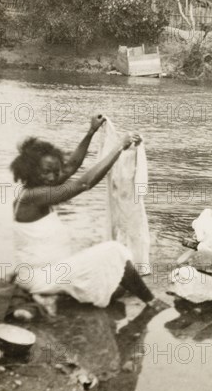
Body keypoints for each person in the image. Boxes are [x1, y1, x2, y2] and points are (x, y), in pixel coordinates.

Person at [10, 115, 166, 315]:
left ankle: (66, 298)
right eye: (46, 172)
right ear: (30, 171)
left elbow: (70, 167)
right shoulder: (33, 196)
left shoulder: (39, 187)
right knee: (115, 251)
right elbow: (84, 183)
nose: (53, 176)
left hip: (51, 271)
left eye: (54, 172)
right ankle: (152, 303)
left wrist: (90, 132)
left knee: (115, 282)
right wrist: (119, 147)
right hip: (41, 278)